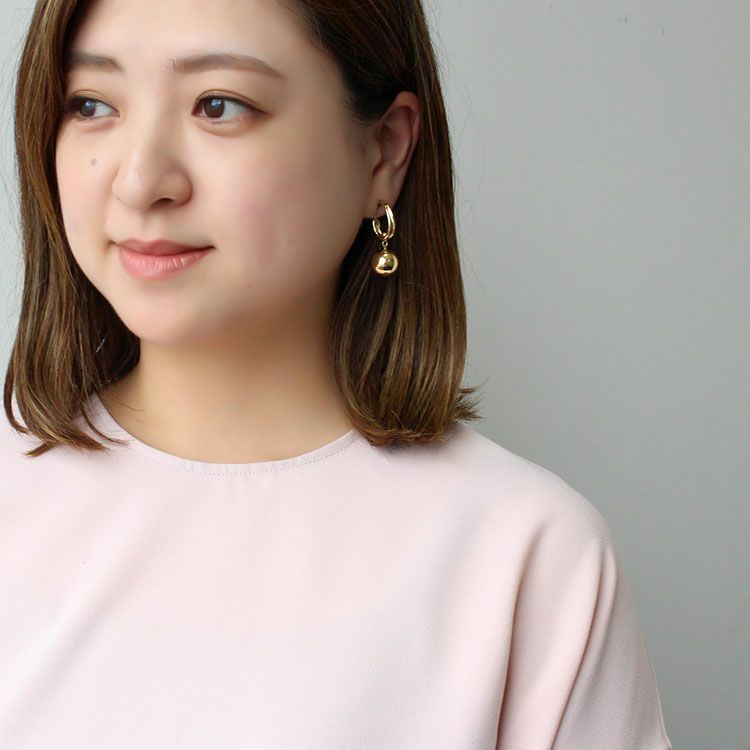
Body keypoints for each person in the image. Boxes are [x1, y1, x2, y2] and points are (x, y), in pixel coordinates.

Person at [0, 0, 672, 747]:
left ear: (384, 150)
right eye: (91, 105)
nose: (139, 181)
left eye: (219, 105)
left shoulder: (528, 558)